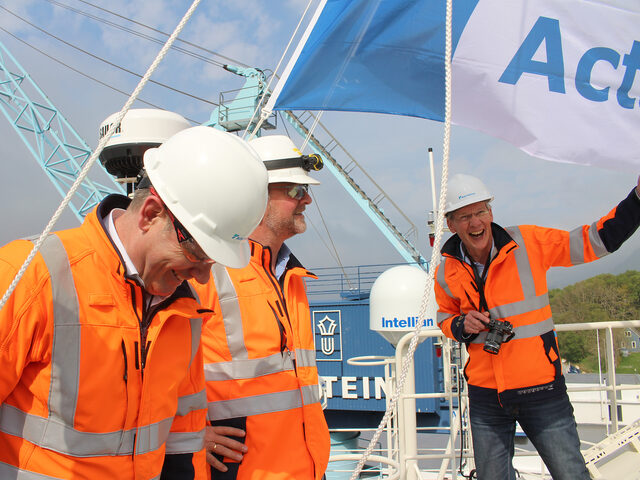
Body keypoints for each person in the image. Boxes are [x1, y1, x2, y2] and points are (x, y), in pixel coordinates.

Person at [0, 124, 268, 480]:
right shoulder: (34, 274)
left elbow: (182, 442)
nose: (202, 278)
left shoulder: (185, 312)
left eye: (212, 263)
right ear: (151, 213)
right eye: (197, 254)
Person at [434, 173, 640, 480]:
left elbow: (596, 240)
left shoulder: (528, 243)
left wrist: (637, 198)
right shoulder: (445, 271)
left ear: (491, 212)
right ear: (451, 224)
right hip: (487, 396)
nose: (475, 222)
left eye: (481, 212)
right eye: (465, 216)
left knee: (570, 474)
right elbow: (444, 318)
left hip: (542, 390)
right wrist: (462, 324)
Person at [193, 135, 330, 480]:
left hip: (306, 467)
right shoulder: (205, 273)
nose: (307, 199)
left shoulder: (292, 276)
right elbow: (149, 374)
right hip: (245, 471)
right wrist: (187, 435)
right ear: (256, 197)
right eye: (296, 191)